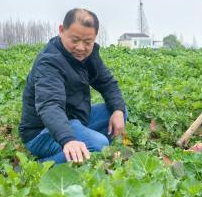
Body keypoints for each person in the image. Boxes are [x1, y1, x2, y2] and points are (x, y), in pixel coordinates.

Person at [19, 8, 126, 163]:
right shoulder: (50, 62)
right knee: (98, 144)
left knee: (119, 111)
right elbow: (50, 105)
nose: (81, 48)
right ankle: (40, 166)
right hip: (42, 132)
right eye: (74, 40)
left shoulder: (89, 55)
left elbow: (107, 83)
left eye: (88, 42)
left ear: (95, 38)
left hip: (75, 120)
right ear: (61, 30)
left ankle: (84, 149)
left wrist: (118, 110)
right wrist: (67, 139)